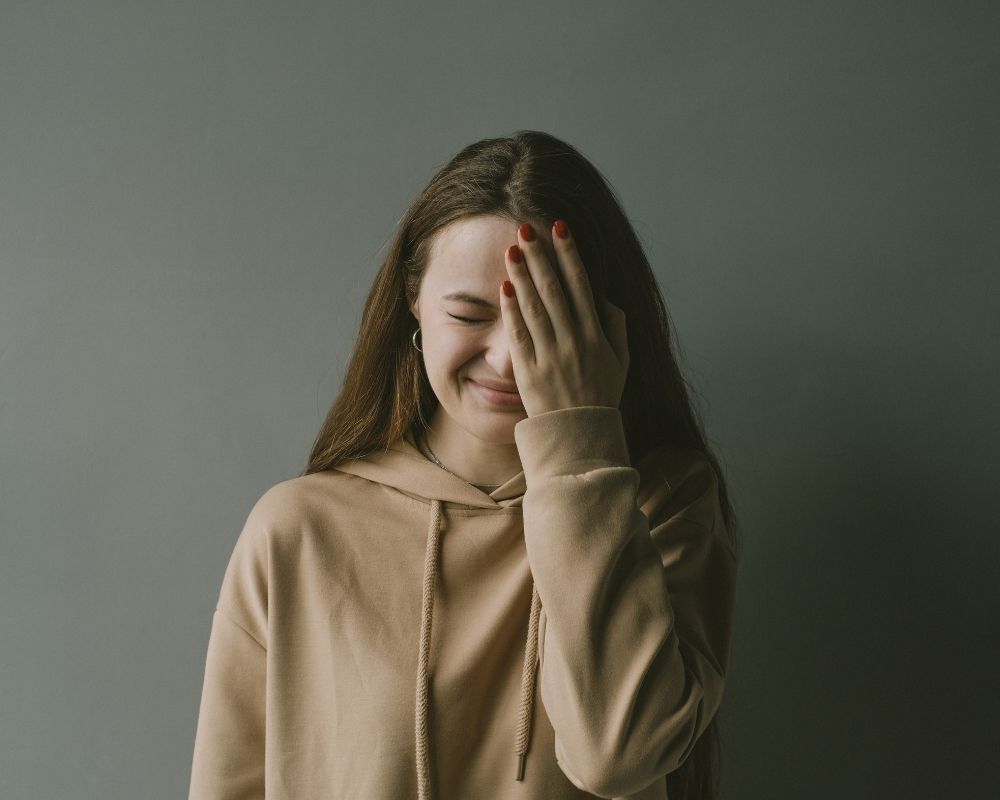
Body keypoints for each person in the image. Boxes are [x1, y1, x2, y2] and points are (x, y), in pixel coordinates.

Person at [188, 130, 741, 800]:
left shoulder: (666, 504)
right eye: (471, 313)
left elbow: (618, 758)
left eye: (546, 319)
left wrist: (576, 439)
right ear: (414, 304)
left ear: (606, 327)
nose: (508, 358)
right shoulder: (299, 529)